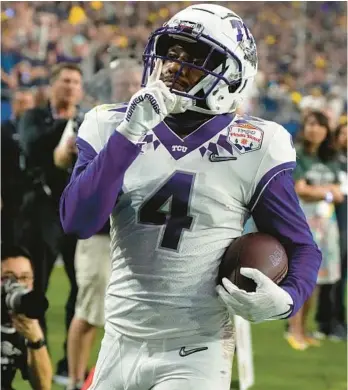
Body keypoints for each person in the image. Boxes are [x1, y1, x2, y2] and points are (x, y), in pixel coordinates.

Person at [60, 4, 321, 389]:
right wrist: (130, 134)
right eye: (172, 51)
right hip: (117, 340)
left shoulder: (256, 144)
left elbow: (302, 247)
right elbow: (78, 222)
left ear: (232, 75)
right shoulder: (110, 123)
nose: (173, 65)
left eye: (196, 58)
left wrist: (287, 298)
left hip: (197, 349)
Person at [66, 59, 142, 390]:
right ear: (111, 86)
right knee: (90, 311)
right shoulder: (95, 120)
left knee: (125, 317)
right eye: (123, 83)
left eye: (133, 83)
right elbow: (61, 156)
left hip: (133, 235)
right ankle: (74, 380)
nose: (129, 88)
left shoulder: (152, 122)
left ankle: (99, 379)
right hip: (98, 234)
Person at [18, 62, 84, 385]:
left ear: (81, 90)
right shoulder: (34, 118)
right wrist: (68, 126)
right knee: (38, 287)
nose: (71, 87)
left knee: (81, 288)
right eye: (65, 81)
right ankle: (34, 354)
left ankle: (68, 364)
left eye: (76, 82)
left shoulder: (88, 122)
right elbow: (32, 146)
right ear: (53, 85)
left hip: (75, 212)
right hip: (42, 211)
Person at [286, 111, 343, 350]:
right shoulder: (296, 152)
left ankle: (304, 329)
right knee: (300, 276)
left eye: (320, 125)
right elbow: (300, 189)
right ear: (304, 127)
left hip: (326, 224)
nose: (315, 129)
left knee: (317, 281)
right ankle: (293, 329)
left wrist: (320, 190)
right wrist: (327, 191)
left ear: (326, 130)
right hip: (302, 222)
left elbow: (340, 191)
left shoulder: (330, 156)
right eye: (310, 124)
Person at [1, 245, 52, 390]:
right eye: (8, 278)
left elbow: (43, 386)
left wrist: (35, 341)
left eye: (24, 278)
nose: (17, 285)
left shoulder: (23, 319)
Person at [1, 89, 35, 244]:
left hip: (33, 189)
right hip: (9, 191)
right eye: (22, 103)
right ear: (14, 105)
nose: (26, 108)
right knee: (11, 234)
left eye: (29, 104)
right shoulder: (4, 130)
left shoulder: (37, 128)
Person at [332, 122, 347, 338]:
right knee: (336, 273)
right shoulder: (332, 161)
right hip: (334, 221)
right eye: (343, 133)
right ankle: (332, 321)